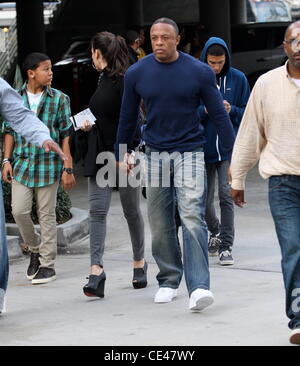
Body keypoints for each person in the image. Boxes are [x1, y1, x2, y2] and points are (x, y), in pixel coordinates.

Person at [115, 18, 235, 311]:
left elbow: (219, 115)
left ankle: (199, 287)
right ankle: (169, 280)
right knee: (159, 221)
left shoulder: (199, 72)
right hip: (155, 154)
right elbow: (127, 117)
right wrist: (121, 153)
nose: (158, 42)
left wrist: (233, 157)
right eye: (154, 37)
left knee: (192, 217)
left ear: (177, 39)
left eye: (164, 37)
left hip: (191, 152)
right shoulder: (136, 73)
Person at [230, 21, 300, 345]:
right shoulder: (267, 84)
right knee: (293, 250)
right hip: (283, 183)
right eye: (293, 40)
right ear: (284, 47)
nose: (299, 45)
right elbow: (250, 133)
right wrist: (238, 175)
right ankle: (299, 320)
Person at [70, 31, 146, 298]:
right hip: (101, 151)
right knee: (97, 212)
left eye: (92, 50)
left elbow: (135, 118)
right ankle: (96, 270)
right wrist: (90, 125)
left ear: (97, 53)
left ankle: (139, 261)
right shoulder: (102, 78)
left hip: (124, 153)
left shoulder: (125, 80)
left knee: (131, 211)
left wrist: (130, 151)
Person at [2, 52, 75, 286]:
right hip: (23, 163)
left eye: (51, 68)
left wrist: (67, 165)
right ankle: (34, 248)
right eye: (46, 69)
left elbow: (65, 134)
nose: (51, 73)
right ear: (31, 73)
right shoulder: (15, 96)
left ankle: (47, 264)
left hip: (48, 164)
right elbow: (10, 131)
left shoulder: (60, 99)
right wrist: (6, 160)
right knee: (20, 211)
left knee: (46, 215)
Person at [198, 37, 250, 265]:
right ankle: (215, 231)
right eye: (211, 62)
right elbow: (187, 109)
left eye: (219, 63)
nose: (215, 67)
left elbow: (249, 111)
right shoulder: (196, 77)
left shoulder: (238, 78)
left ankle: (226, 246)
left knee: (226, 195)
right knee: (203, 199)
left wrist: (232, 109)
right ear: (205, 59)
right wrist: (205, 110)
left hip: (229, 149)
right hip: (202, 146)